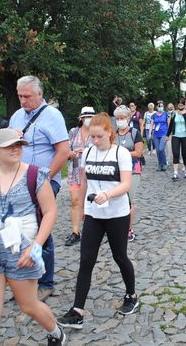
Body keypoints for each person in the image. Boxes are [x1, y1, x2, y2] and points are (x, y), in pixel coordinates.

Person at [0, 129, 66, 346]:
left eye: (19, 145)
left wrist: (36, 246)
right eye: (9, 146)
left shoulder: (35, 174)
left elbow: (50, 212)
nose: (16, 149)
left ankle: (55, 332)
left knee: (28, 305)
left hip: (22, 250)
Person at [57, 113, 137, 330]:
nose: (94, 140)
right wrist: (82, 206)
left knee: (120, 256)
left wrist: (109, 194)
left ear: (109, 133)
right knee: (86, 260)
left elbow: (126, 184)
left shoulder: (121, 153)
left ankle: (132, 294)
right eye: (91, 136)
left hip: (116, 214)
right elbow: (84, 181)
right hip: (94, 214)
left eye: (98, 136)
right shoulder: (89, 151)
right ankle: (77, 311)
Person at [10, 75, 70, 301]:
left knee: (40, 227)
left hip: (44, 180)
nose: (23, 100)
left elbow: (63, 151)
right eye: (20, 96)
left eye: (27, 96)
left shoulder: (52, 116)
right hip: (18, 180)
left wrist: (45, 180)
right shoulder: (16, 116)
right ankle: (25, 279)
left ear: (39, 94)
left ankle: (45, 282)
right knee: (20, 228)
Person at [66, 107, 95, 246]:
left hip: (92, 172)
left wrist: (88, 151)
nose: (87, 119)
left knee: (92, 202)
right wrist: (72, 153)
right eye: (85, 116)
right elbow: (66, 151)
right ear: (81, 118)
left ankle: (93, 231)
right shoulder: (73, 132)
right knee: (75, 201)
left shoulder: (96, 132)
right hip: (76, 170)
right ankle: (75, 232)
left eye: (90, 116)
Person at [114, 105, 144, 241]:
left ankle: (129, 229)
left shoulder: (135, 133)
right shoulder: (113, 134)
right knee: (118, 200)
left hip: (133, 170)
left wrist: (122, 153)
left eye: (122, 118)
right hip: (117, 171)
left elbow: (138, 152)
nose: (120, 120)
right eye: (118, 118)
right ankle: (117, 227)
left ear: (128, 118)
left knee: (128, 200)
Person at [167, 100, 186, 181]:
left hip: (185, 136)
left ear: (184, 105)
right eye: (179, 105)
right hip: (175, 136)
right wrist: (167, 135)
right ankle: (175, 172)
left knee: (185, 154)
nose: (180, 106)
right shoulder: (174, 113)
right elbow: (171, 125)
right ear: (177, 105)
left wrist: (184, 114)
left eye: (182, 105)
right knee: (176, 153)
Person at [149, 101, 169, 171]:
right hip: (156, 134)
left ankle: (164, 164)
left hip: (164, 133)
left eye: (162, 106)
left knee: (161, 149)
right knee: (157, 150)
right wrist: (150, 133)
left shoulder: (166, 114)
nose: (161, 107)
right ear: (157, 107)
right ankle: (160, 164)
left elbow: (169, 124)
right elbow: (151, 124)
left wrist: (168, 134)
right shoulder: (154, 115)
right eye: (159, 106)